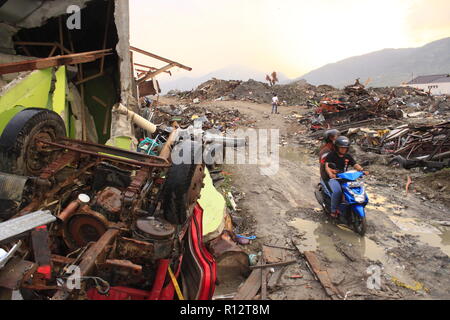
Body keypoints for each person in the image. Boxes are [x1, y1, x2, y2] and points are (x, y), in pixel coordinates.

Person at [323, 136, 366, 218]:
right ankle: (333, 210)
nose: (343, 150)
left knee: (355, 190)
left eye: (345, 148)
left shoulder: (348, 156)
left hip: (346, 178)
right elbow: (327, 166)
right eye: (341, 148)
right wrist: (330, 174)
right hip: (335, 178)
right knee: (337, 191)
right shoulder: (331, 155)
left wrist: (361, 170)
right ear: (337, 147)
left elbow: (355, 164)